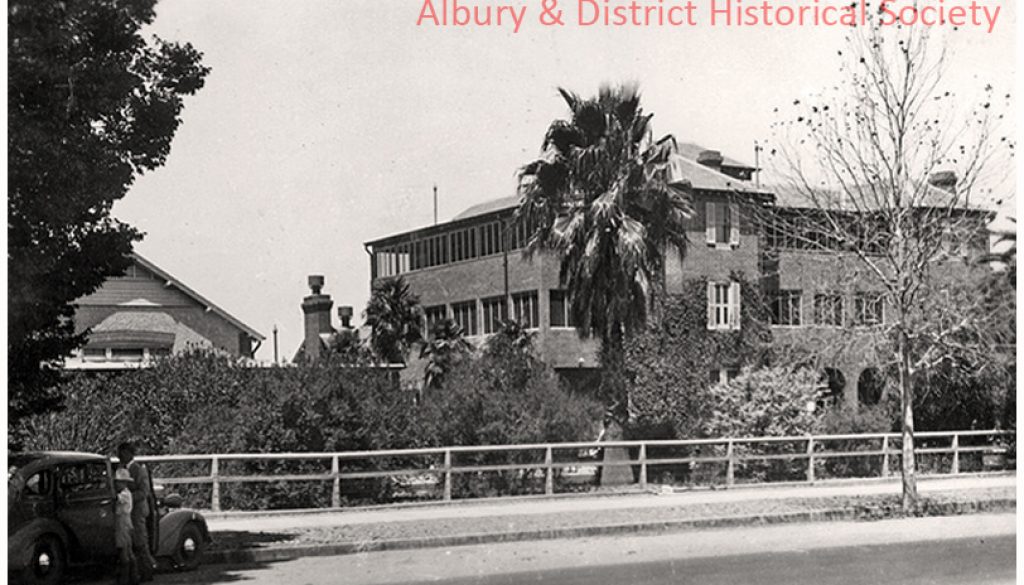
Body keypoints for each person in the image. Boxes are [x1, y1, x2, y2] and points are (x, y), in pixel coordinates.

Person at [117, 442, 156, 582]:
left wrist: (127, 497)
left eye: (121, 452)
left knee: (140, 541)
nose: (119, 455)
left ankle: (147, 570)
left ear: (128, 453)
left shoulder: (139, 470)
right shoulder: (121, 468)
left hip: (137, 511)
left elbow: (144, 491)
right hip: (127, 512)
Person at [114, 467, 139, 585]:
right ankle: (133, 577)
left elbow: (115, 499)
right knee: (128, 550)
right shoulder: (127, 493)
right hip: (126, 521)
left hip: (122, 521)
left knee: (124, 551)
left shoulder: (124, 494)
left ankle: (125, 579)